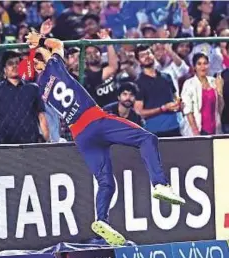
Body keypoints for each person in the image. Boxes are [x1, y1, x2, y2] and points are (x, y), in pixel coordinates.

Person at [25, 30, 185, 246]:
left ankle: (101, 220)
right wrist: (42, 41)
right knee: (147, 139)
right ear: (43, 61)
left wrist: (38, 47)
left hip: (79, 134)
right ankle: (159, 184)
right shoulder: (54, 65)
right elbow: (58, 43)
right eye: (45, 53)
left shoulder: (42, 87)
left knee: (105, 182)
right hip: (95, 120)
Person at [0, 50, 49, 144]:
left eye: (17, 63)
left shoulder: (33, 88)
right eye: (10, 63)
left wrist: (46, 140)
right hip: (3, 145)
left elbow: (41, 115)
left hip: (30, 143)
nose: (14, 66)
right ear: (4, 69)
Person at [134, 45, 181, 137]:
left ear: (153, 55)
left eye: (148, 53)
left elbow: (176, 98)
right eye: (142, 56)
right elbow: (139, 112)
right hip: (154, 131)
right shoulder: (138, 83)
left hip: (175, 127)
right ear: (138, 61)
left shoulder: (167, 77)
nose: (146, 57)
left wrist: (179, 104)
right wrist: (162, 108)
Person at [181, 53, 224, 136]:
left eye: (205, 63)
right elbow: (188, 111)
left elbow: (220, 108)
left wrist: (219, 91)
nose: (203, 67)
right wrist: (196, 132)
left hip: (215, 129)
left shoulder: (214, 81)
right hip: (198, 130)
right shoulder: (189, 84)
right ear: (194, 67)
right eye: (199, 64)